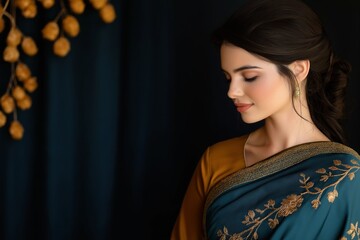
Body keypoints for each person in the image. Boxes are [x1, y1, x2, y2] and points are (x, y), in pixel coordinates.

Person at [171, 0, 360, 239]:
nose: (232, 91)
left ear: (299, 69)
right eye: (228, 77)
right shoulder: (215, 161)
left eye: (249, 76)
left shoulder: (345, 174)